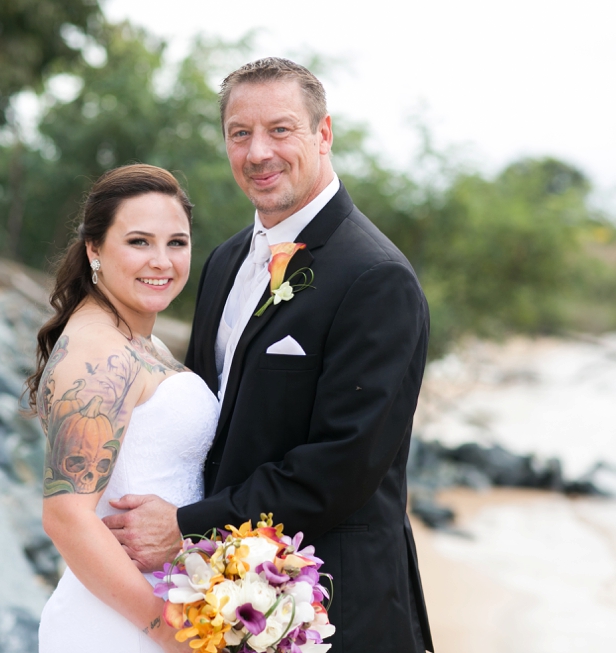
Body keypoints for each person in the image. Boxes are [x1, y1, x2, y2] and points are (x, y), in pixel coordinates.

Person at [104, 58, 434, 653]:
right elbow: (210, 416)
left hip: (334, 606)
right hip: (224, 600)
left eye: (280, 130)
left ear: (323, 134)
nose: (258, 152)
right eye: (240, 133)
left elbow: (340, 468)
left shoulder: (377, 279)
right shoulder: (226, 262)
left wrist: (184, 526)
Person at [29, 164, 218, 653]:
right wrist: (166, 630)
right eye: (139, 242)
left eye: (176, 243)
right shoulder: (100, 351)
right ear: (94, 249)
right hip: (119, 626)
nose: (162, 261)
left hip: (160, 610)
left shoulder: (139, 340)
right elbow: (66, 517)